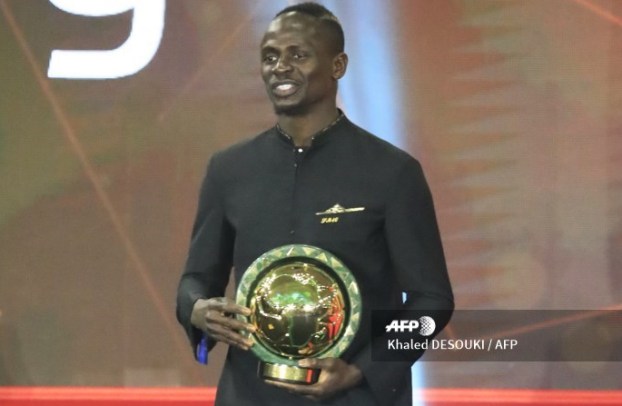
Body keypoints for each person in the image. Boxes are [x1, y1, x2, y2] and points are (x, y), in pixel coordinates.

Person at [176, 3, 454, 405]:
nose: (280, 67)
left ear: (337, 65)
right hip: (250, 395)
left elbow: (433, 302)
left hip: (354, 397)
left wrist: (362, 370)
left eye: (298, 55)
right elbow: (196, 280)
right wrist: (198, 310)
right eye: (270, 56)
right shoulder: (228, 169)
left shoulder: (393, 172)